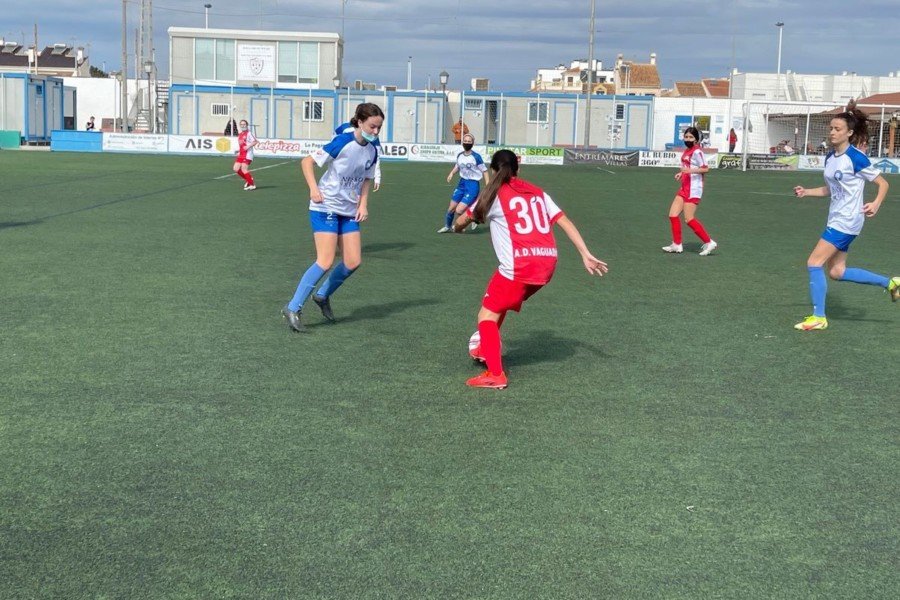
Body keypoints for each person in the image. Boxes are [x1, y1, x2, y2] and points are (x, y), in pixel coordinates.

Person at [452, 149, 608, 389]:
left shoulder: (493, 194)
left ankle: (496, 375)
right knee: (498, 305)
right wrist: (585, 254)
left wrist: (457, 228)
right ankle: (486, 348)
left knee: (485, 316)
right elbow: (564, 221)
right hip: (546, 266)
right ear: (518, 169)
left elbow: (463, 220)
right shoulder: (538, 193)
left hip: (519, 267)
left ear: (493, 171)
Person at [791, 100, 898, 331]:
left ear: (849, 133)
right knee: (836, 272)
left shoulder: (856, 157)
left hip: (847, 220)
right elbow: (831, 189)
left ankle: (819, 317)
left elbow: (883, 183)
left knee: (813, 263)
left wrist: (876, 203)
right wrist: (806, 192)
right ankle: (891, 283)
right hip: (836, 218)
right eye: (831, 128)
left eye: (837, 129)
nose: (832, 132)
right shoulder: (830, 157)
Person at [282, 102, 383, 332]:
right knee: (325, 260)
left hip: (349, 211)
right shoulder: (342, 143)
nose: (376, 132)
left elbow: (367, 178)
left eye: (378, 128)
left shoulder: (373, 149)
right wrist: (313, 189)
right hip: (325, 206)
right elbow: (307, 162)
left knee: (353, 261)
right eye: (372, 127)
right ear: (359, 122)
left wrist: (363, 204)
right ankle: (293, 307)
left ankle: (322, 295)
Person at [661, 126, 718, 256]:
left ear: (696, 139)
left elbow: (705, 169)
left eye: (691, 137)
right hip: (685, 187)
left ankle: (709, 242)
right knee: (673, 215)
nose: (688, 139)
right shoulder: (687, 150)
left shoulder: (697, 152)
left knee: (689, 219)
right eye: (686, 137)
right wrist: (681, 174)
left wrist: (689, 171)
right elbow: (687, 167)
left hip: (694, 189)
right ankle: (677, 244)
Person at [437, 133, 489, 233]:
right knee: (451, 208)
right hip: (462, 184)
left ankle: (471, 218)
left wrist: (488, 185)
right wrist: (451, 173)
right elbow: (457, 166)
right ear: (462, 142)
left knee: (459, 210)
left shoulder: (476, 157)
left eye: (469, 141)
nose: (467, 143)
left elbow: (485, 171)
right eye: (465, 141)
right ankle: (447, 226)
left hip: (473, 185)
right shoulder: (460, 155)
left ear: (473, 143)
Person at [335, 118, 382, 191]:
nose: (376, 131)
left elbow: (377, 158)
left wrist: (377, 178)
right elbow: (335, 139)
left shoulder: (373, 136)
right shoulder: (345, 128)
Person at [233, 119, 258, 191]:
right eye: (241, 124)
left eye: (244, 124)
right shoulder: (240, 134)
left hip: (248, 155)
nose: (243, 125)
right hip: (241, 154)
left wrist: (248, 146)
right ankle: (249, 179)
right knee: (236, 169)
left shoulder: (249, 133)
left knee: (244, 169)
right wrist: (238, 150)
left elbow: (255, 141)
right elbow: (242, 145)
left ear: (247, 125)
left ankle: (252, 185)